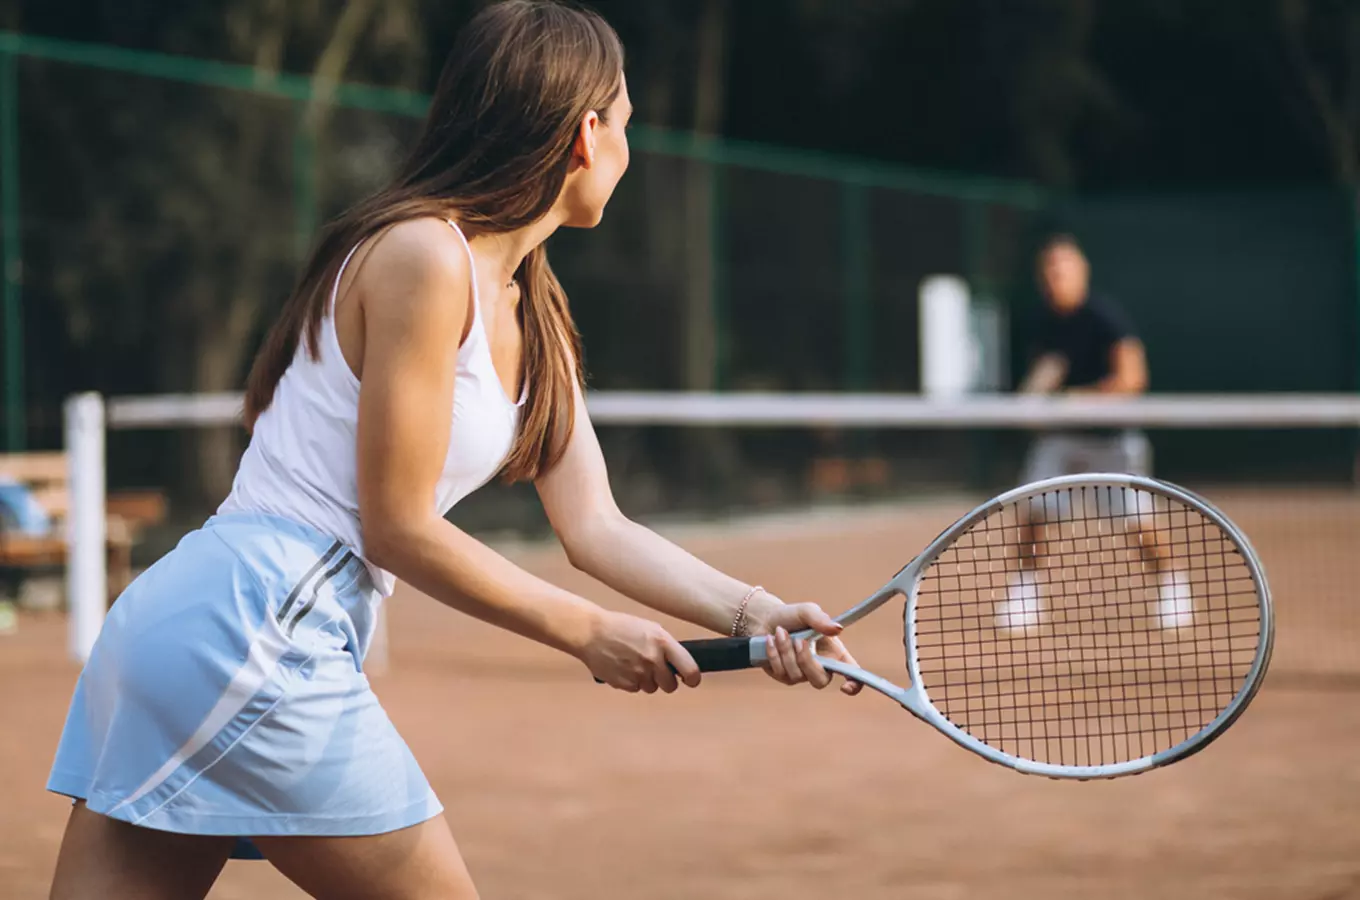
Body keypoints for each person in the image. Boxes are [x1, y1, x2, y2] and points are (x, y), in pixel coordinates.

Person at [44, 4, 862, 897]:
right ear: (587, 136)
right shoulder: (423, 258)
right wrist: (587, 632)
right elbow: (397, 527)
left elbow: (597, 525)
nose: (632, 148)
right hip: (255, 631)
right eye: (628, 123)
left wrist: (756, 614)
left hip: (202, 633)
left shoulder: (532, 308)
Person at [996, 234, 1192, 633]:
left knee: (1139, 524)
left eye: (1063, 268)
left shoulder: (1106, 318)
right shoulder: (1041, 322)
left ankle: (1173, 587)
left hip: (1111, 440)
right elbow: (1046, 374)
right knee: (1032, 515)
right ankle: (1024, 594)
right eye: (1049, 270)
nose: (1056, 277)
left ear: (1081, 272)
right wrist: (1038, 401)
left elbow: (1133, 379)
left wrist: (1077, 400)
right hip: (1060, 439)